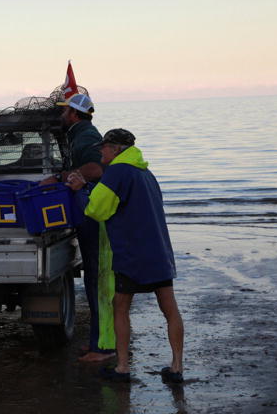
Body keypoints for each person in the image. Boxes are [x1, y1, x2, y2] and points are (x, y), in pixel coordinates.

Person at [66, 129, 184, 383]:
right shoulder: (145, 172)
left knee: (120, 307)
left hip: (132, 254)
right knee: (170, 310)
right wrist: (89, 187)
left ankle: (122, 367)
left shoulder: (117, 172)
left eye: (104, 147)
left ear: (116, 149)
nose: (100, 151)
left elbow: (96, 210)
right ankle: (176, 367)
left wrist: (78, 190)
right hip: (160, 252)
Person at [43, 92, 116, 362]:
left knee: (98, 280)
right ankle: (99, 341)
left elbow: (96, 169)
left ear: (74, 114)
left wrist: (61, 177)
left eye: (64, 112)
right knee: (95, 280)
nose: (61, 116)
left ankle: (104, 347)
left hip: (93, 216)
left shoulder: (84, 134)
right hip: (90, 213)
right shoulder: (80, 132)